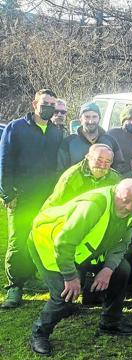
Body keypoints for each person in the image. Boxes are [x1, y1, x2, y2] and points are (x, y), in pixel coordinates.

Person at [28, 179, 132, 356]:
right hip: (50, 246)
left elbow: (122, 243)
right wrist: (70, 277)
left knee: (122, 269)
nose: (129, 207)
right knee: (64, 293)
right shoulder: (93, 207)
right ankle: (39, 333)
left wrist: (107, 270)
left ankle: (110, 322)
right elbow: (64, 243)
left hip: (83, 251)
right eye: (125, 200)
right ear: (115, 193)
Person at [0, 89, 64, 308]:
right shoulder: (16, 128)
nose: (48, 107)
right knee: (18, 240)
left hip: (47, 197)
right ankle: (15, 287)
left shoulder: (57, 131)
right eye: (45, 103)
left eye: (52, 104)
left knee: (42, 237)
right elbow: (4, 161)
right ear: (35, 103)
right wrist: (7, 192)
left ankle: (36, 273)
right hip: (22, 196)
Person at [42, 144, 120, 210]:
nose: (102, 165)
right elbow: (55, 203)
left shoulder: (115, 179)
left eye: (107, 162)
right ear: (88, 157)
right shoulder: (72, 176)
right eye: (99, 160)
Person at [57, 102, 124, 171]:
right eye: (87, 117)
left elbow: (119, 167)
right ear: (80, 119)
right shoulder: (69, 142)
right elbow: (61, 171)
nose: (91, 121)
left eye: (94, 117)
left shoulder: (110, 141)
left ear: (99, 118)